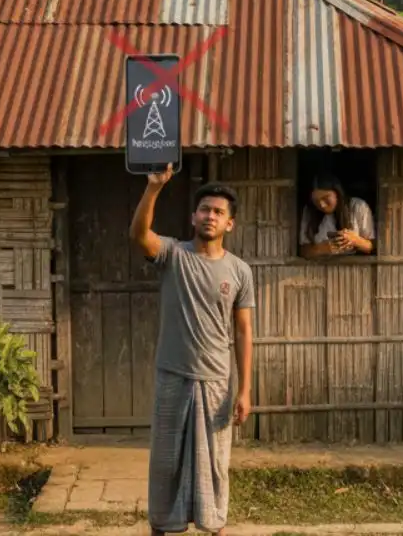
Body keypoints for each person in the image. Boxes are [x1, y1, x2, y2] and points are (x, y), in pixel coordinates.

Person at [129, 163, 254, 536]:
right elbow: (139, 235)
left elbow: (244, 331)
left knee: (214, 462)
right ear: (193, 217)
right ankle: (162, 527)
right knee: (166, 462)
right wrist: (153, 189)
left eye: (218, 212)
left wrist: (245, 389)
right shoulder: (173, 255)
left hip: (216, 381)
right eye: (205, 209)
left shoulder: (240, 271)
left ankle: (212, 525)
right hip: (173, 375)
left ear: (229, 223)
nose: (210, 216)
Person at [298, 172, 376, 258]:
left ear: (337, 193)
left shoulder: (358, 207)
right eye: (316, 201)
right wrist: (321, 249)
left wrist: (355, 240)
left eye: (326, 198)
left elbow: (371, 247)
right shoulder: (310, 211)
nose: (322, 205)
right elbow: (303, 250)